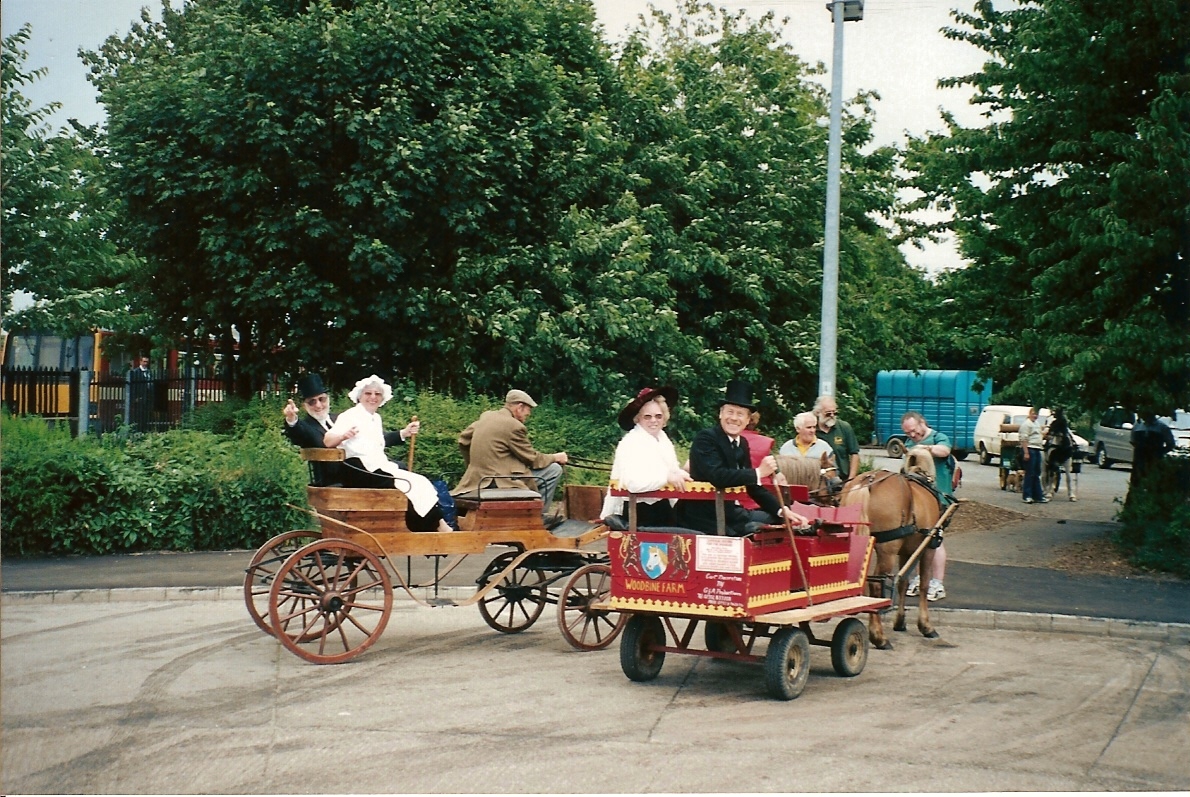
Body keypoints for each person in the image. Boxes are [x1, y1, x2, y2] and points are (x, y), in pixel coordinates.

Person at [676, 380, 809, 537]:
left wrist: (782, 510)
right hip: (704, 516)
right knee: (752, 532)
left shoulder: (742, 443)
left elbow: (752, 486)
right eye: (730, 412)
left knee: (776, 518)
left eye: (740, 414)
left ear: (747, 420)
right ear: (720, 414)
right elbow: (718, 476)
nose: (734, 418)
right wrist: (758, 472)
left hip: (731, 513)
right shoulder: (706, 438)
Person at [324, 375, 452, 533]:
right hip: (359, 470)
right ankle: (435, 527)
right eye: (368, 393)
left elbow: (377, 441)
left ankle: (434, 525)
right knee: (413, 483)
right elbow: (328, 440)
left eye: (377, 394)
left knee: (419, 482)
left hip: (375, 468)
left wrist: (404, 433)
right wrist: (343, 436)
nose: (373, 397)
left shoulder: (375, 418)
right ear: (359, 396)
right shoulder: (349, 416)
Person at [453, 389, 568, 525]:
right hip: (499, 480)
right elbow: (533, 459)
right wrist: (556, 457)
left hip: (477, 479)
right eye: (528, 410)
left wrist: (473, 466)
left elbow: (463, 441)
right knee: (554, 469)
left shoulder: (487, 416)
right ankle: (538, 517)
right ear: (519, 407)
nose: (528, 414)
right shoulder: (513, 426)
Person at [282, 372, 414, 486]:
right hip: (334, 478)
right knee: (392, 476)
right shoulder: (306, 426)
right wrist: (292, 419)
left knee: (401, 468)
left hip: (359, 470)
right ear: (304, 405)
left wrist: (403, 433)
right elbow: (298, 433)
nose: (318, 405)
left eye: (321, 399)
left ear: (328, 399)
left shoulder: (341, 417)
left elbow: (370, 438)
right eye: (312, 401)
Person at [600, 387, 692, 528]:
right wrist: (667, 478)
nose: (653, 421)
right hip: (636, 511)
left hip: (662, 505)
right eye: (647, 417)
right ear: (638, 419)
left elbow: (672, 470)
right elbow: (633, 483)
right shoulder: (631, 442)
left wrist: (682, 473)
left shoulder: (663, 438)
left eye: (658, 416)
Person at [900, 411, 953, 602]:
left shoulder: (939, 438)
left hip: (938, 498)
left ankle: (937, 583)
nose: (912, 436)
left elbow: (944, 451)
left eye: (914, 431)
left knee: (935, 539)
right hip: (916, 501)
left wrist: (924, 449)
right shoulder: (909, 443)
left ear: (922, 423)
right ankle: (919, 579)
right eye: (908, 434)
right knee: (913, 540)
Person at [814, 395, 860, 482]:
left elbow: (854, 454)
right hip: (819, 481)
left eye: (835, 413)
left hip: (842, 479)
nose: (832, 415)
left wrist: (851, 479)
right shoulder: (812, 429)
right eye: (828, 413)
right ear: (818, 412)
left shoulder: (844, 427)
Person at [1043, 407, 1078, 502]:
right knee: (1052, 470)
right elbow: (1051, 432)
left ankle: (1071, 492)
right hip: (1055, 448)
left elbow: (1065, 431)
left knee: (1068, 473)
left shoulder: (1063, 423)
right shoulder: (1053, 422)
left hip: (1064, 448)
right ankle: (1049, 489)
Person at [1131, 412, 1176, 481]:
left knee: (1152, 478)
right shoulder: (1137, 426)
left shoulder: (1162, 427)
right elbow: (1133, 441)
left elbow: (1171, 444)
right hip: (1139, 459)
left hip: (1154, 459)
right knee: (1137, 478)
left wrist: (1160, 452)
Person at [1018, 406, 1048, 504]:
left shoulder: (1037, 424)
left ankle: (1038, 495)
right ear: (1029, 414)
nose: (1035, 416)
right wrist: (1026, 452)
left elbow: (1039, 435)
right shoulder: (1026, 424)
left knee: (1036, 473)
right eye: (1033, 414)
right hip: (1030, 449)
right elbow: (1024, 439)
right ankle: (1027, 495)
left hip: (1037, 448)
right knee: (1030, 473)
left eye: (1036, 414)